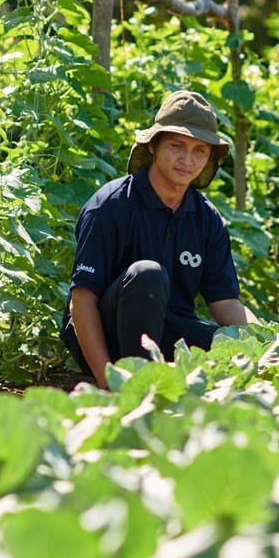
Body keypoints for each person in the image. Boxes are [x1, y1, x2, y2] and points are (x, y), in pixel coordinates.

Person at [62, 89, 253, 389]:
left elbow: (226, 303)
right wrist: (105, 378)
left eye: (199, 150)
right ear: (153, 145)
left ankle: (163, 381)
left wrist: (267, 344)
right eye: (177, 146)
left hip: (168, 332)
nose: (187, 160)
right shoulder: (110, 205)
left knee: (229, 349)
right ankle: (137, 386)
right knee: (147, 274)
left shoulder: (206, 219)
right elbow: (82, 303)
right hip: (107, 339)